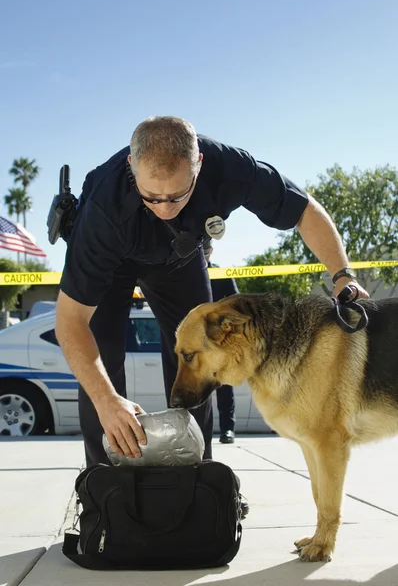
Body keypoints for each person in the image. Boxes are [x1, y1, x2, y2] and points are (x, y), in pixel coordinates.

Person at [55, 115, 369, 471]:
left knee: (199, 353)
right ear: (131, 166)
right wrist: (106, 400)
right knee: (103, 362)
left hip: (178, 256)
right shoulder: (102, 210)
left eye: (176, 195)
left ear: (199, 165)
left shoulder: (230, 168)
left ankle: (199, 481)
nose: (163, 208)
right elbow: (69, 321)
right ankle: (102, 490)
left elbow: (304, 211)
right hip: (113, 261)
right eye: (152, 197)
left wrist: (343, 275)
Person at [205, 242, 238, 444]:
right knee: (198, 386)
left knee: (224, 386)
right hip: (197, 343)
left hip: (221, 341)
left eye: (206, 251)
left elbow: (237, 304)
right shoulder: (183, 275)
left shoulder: (222, 274)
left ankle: (227, 429)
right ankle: (199, 430)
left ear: (211, 251)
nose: (203, 255)